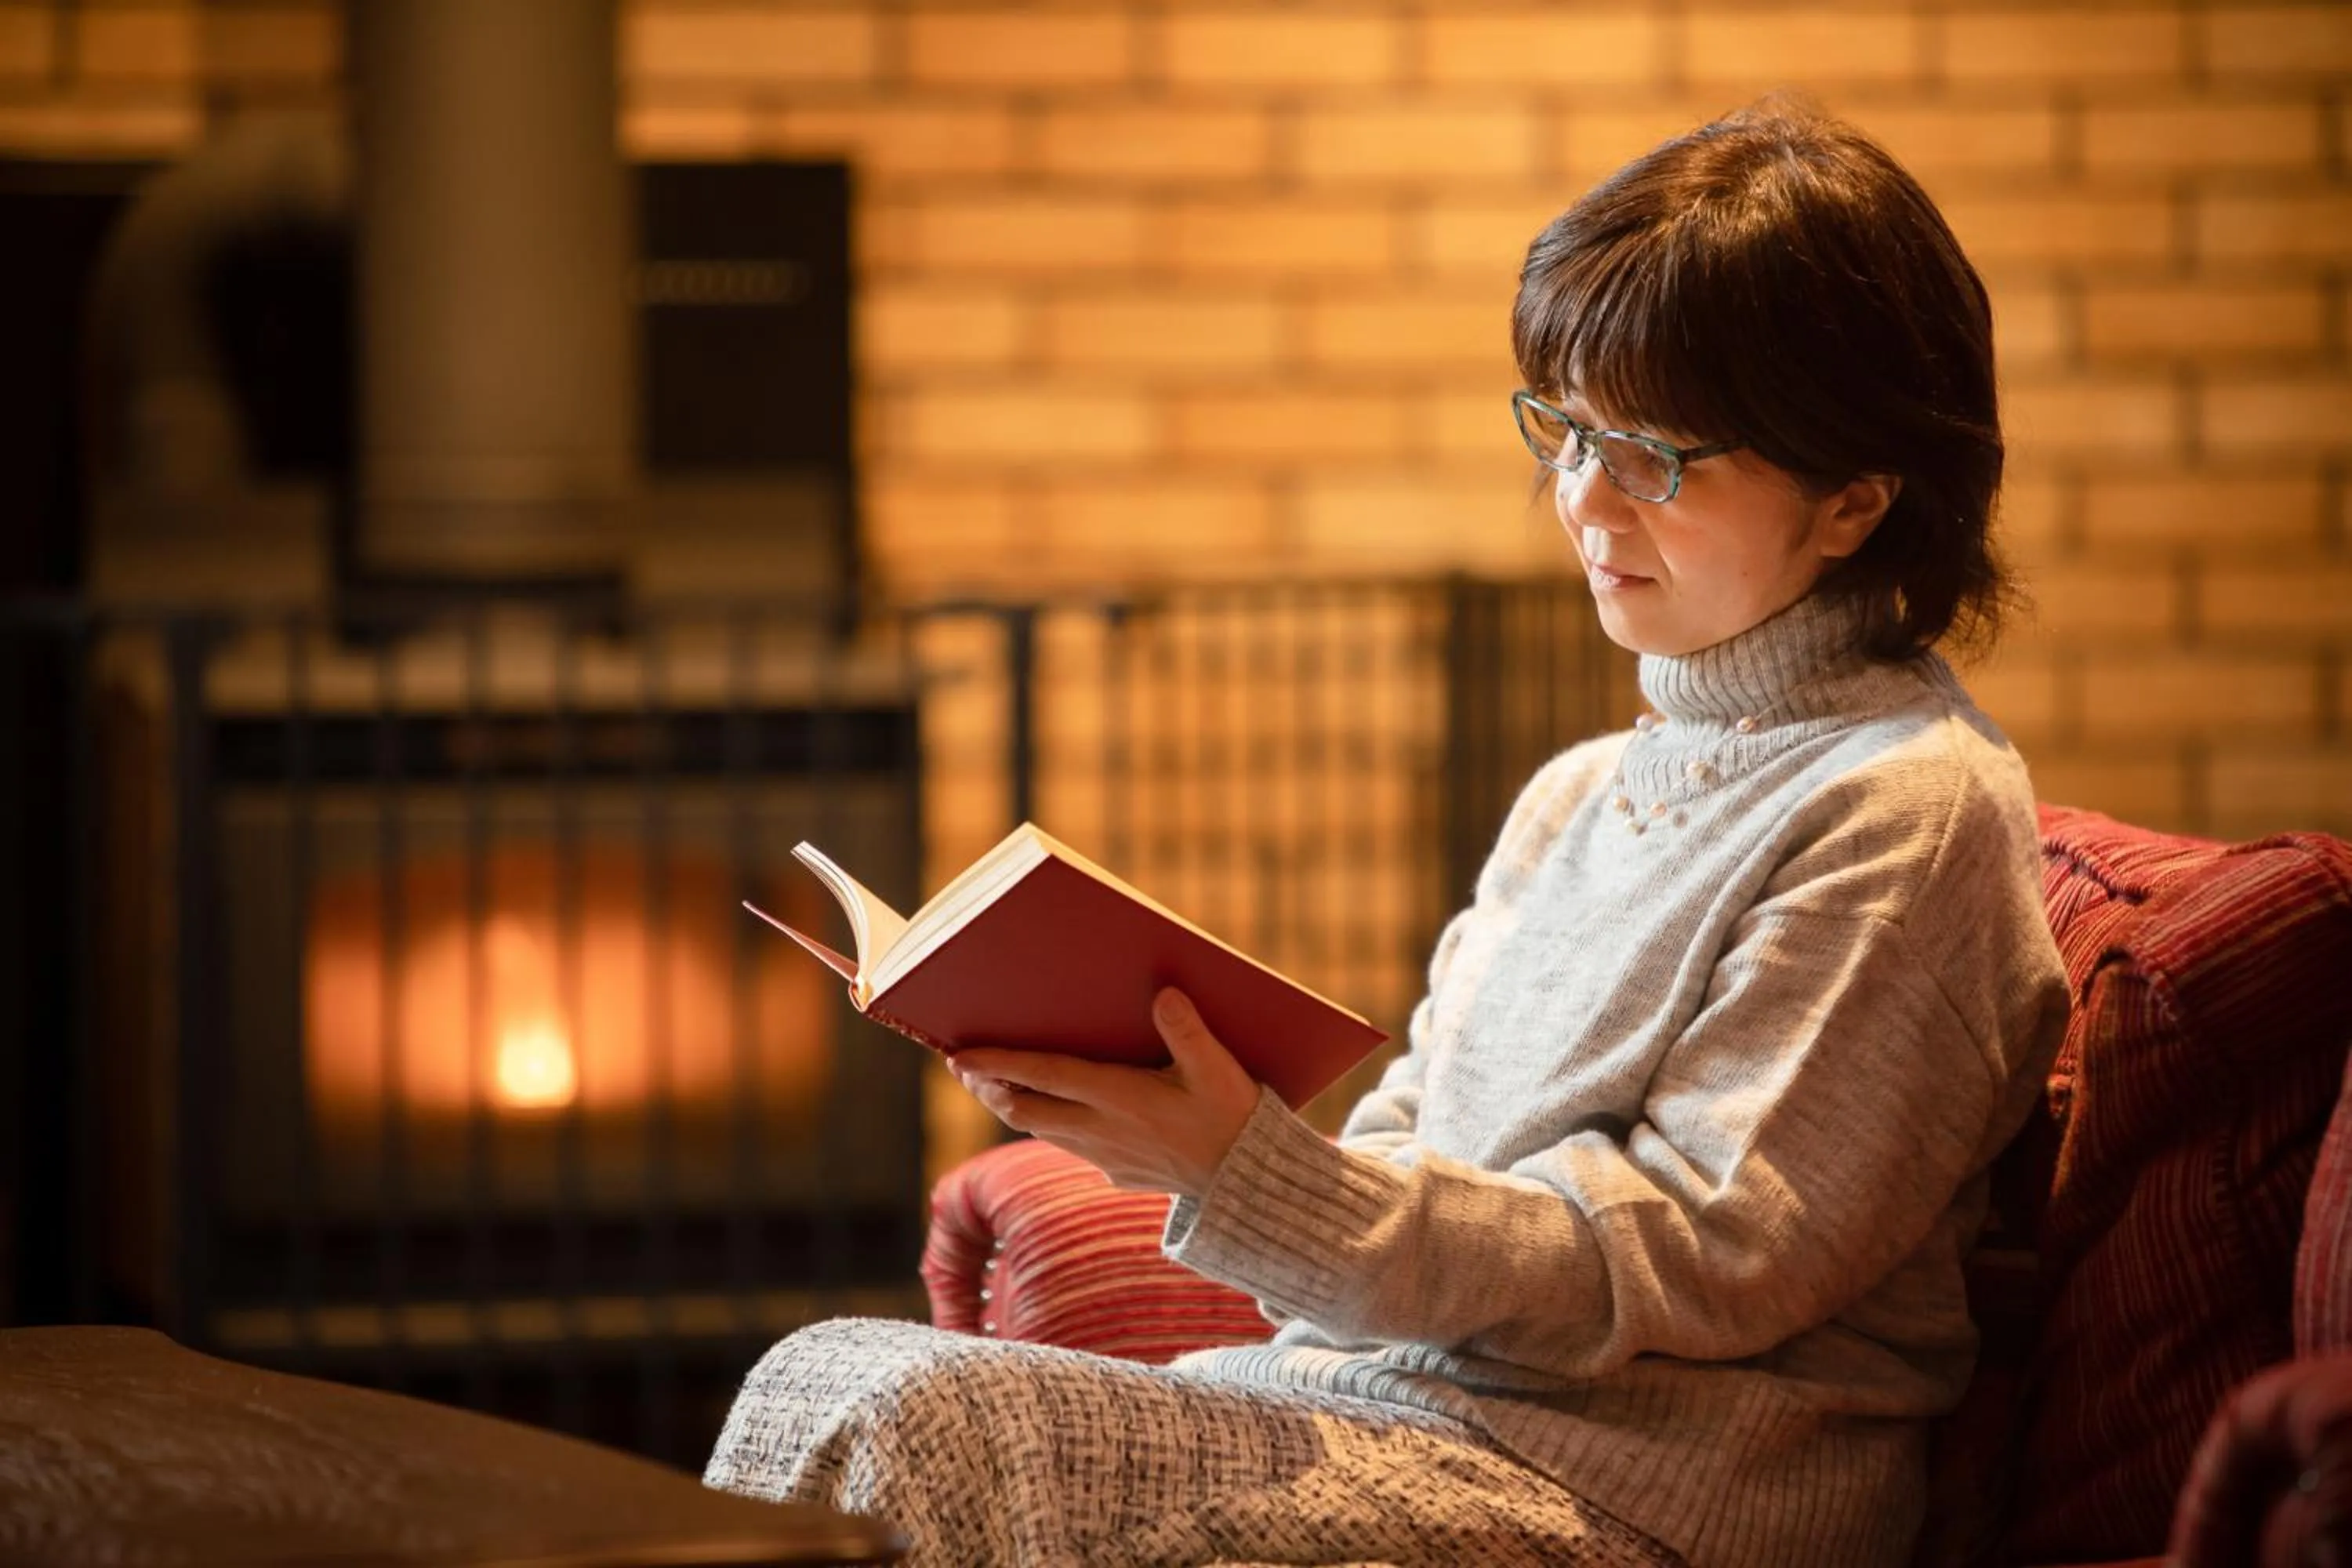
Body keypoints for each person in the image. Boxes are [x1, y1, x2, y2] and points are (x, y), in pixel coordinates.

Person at [704, 97, 2071, 1568]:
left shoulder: (1904, 810)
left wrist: (1252, 1177)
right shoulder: (1581, 792)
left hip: (1644, 1498)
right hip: (1405, 1415)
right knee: (832, 1370)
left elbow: (1704, 1251)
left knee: (916, 1420)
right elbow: (1420, 1138)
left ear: (1857, 499)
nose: (1583, 500)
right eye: (1566, 429)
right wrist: (1207, 1142)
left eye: (1659, 456)